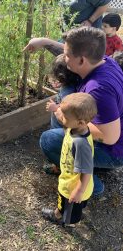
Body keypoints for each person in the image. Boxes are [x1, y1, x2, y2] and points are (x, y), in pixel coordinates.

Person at [23, 26, 123, 196]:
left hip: (113, 150)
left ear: (82, 60)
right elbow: (72, 52)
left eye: (67, 55)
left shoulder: (99, 89)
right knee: (67, 93)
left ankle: (92, 186)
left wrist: (66, 119)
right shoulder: (105, 61)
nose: (64, 57)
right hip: (110, 128)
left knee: (48, 140)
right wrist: (44, 42)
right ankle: (88, 162)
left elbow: (111, 136)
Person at [42, 92, 97, 225]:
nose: (62, 117)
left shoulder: (80, 144)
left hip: (72, 187)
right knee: (78, 205)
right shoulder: (76, 127)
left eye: (66, 116)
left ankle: (60, 218)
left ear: (80, 122)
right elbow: (63, 118)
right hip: (74, 183)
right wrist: (56, 109)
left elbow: (86, 171)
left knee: (66, 206)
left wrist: (78, 191)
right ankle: (76, 211)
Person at [46, 54, 80, 131]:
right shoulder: (74, 83)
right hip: (63, 123)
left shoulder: (67, 91)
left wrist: (55, 108)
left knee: (52, 134)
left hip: (61, 124)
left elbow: (68, 109)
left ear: (61, 77)